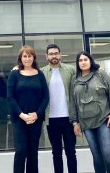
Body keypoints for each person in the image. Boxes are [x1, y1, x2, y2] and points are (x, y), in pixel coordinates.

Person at [69, 51, 110, 173]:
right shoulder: (74, 80)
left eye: (85, 59)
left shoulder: (100, 74)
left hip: (104, 120)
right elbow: (73, 103)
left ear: (90, 61)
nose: (83, 62)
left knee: (108, 154)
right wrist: (74, 122)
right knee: (97, 157)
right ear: (77, 63)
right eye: (80, 60)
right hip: (86, 124)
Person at [7, 45, 49, 173]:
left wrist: (37, 114)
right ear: (20, 58)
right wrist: (22, 115)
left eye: (29, 56)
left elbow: (46, 97)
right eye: (24, 56)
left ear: (33, 57)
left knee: (33, 153)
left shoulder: (40, 74)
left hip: (35, 120)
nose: (27, 59)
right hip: (20, 120)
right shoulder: (14, 74)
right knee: (21, 151)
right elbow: (10, 98)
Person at [41, 44, 77, 173]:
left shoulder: (71, 70)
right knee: (56, 152)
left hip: (69, 118)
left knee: (71, 152)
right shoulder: (42, 72)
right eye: (51, 53)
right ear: (46, 56)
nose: (54, 56)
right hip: (51, 119)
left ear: (60, 55)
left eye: (56, 53)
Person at [0, 71, 13, 149]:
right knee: (3, 128)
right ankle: (2, 147)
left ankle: (9, 146)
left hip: (8, 105)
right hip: (3, 106)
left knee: (10, 128)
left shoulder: (10, 80)